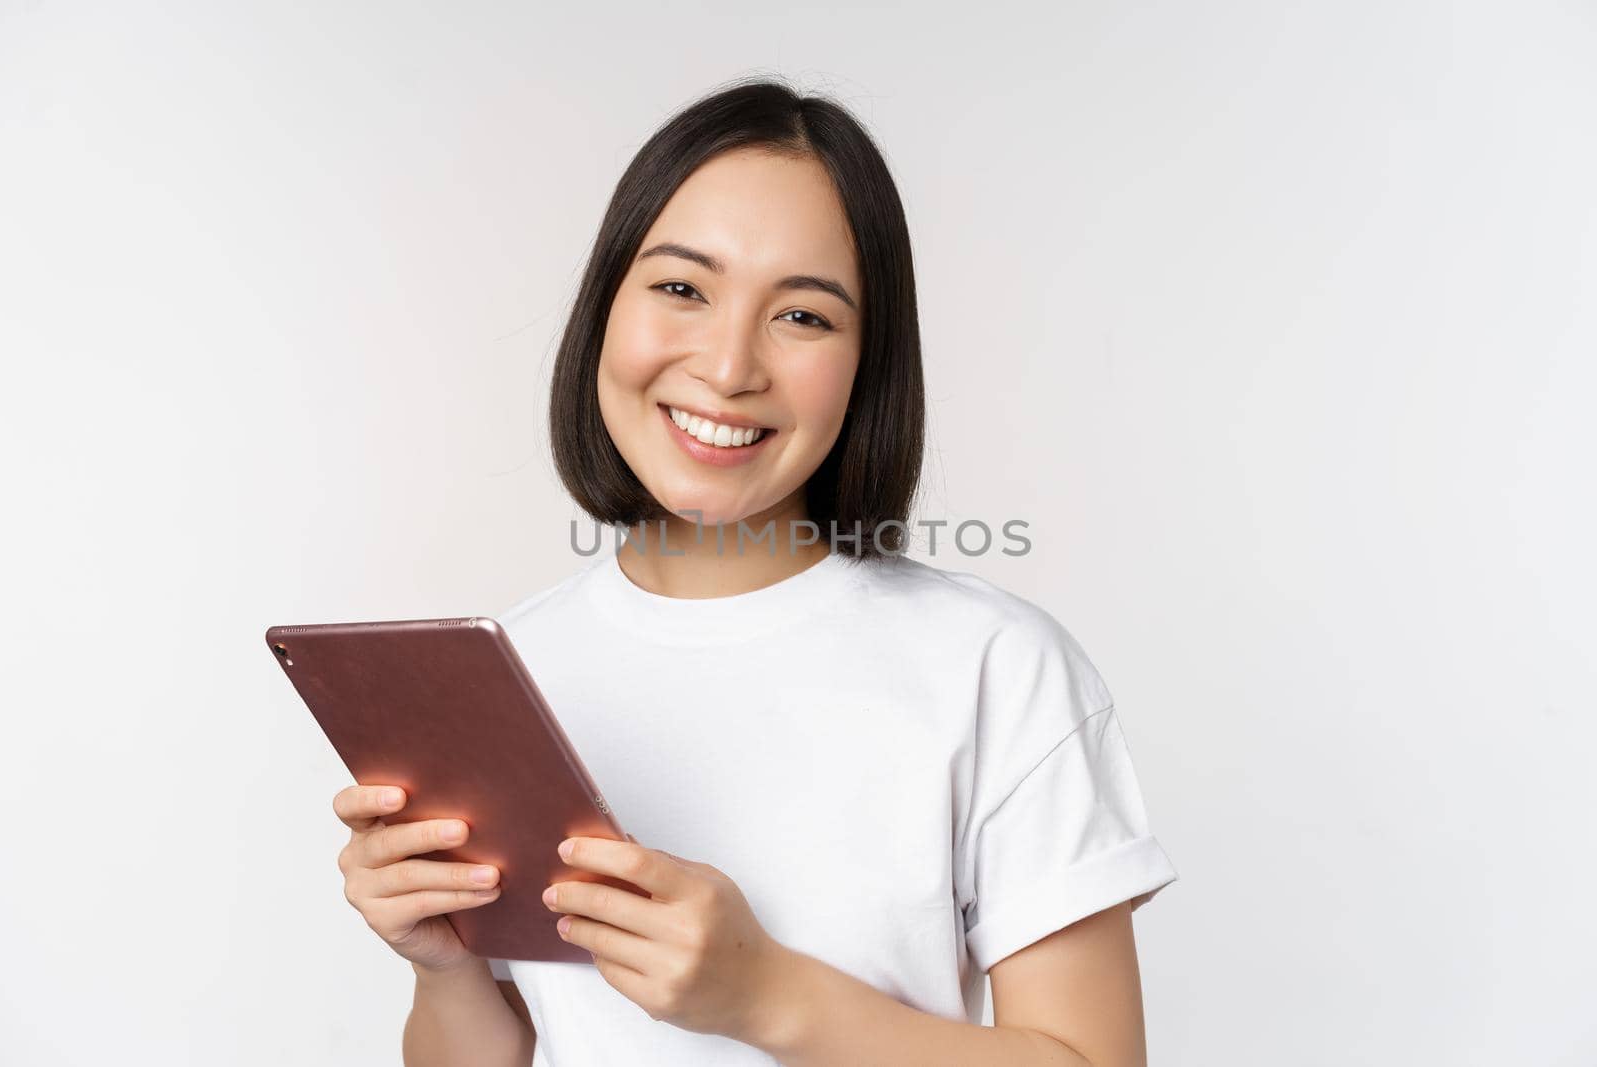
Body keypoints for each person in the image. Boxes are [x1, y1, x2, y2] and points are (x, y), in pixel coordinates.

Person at [335, 75, 1177, 1067]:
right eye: (682, 287)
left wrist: (766, 994)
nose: (730, 366)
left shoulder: (995, 666)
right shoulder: (509, 668)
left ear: (869, 363)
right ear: (605, 306)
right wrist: (444, 966)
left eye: (804, 316)